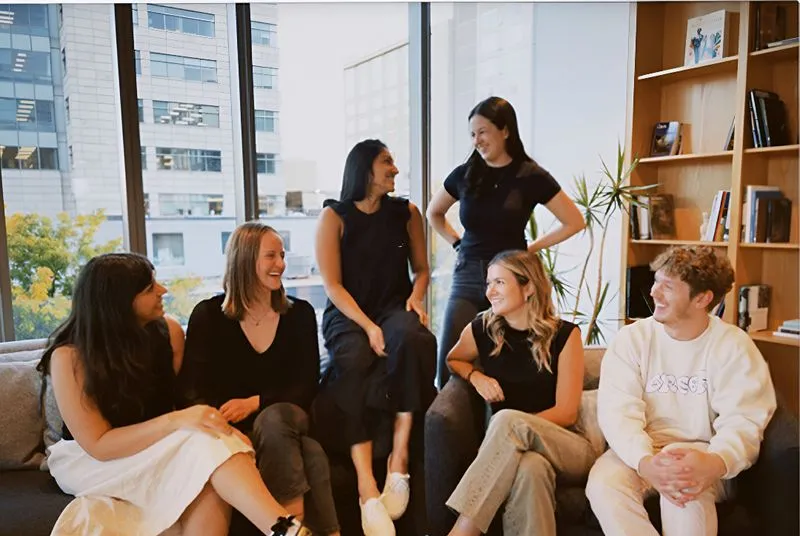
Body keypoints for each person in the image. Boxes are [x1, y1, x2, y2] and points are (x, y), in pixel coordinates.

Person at [38, 252, 310, 536]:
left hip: (154, 446)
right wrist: (180, 421)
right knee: (207, 445)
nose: (162, 290)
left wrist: (217, 427)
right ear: (118, 302)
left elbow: (182, 404)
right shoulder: (68, 357)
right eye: (149, 288)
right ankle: (287, 529)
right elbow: (99, 444)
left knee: (209, 474)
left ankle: (286, 530)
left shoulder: (169, 332)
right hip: (91, 460)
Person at [586, 246, 777, 536]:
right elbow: (617, 412)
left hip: (705, 454)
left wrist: (715, 461)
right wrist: (645, 461)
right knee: (604, 484)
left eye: (668, 286)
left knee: (686, 486)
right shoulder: (632, 339)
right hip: (641, 450)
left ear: (702, 298)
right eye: (657, 281)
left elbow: (744, 420)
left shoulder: (734, 346)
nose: (654, 293)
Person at [180, 222, 339, 536]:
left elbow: (306, 384)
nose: (281, 264)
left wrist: (255, 402)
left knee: (273, 418)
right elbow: (191, 389)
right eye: (271, 256)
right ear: (245, 260)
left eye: (281, 255)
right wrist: (225, 427)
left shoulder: (301, 313)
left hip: (289, 415)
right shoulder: (208, 315)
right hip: (229, 427)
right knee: (312, 454)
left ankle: (284, 527)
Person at [313, 139, 437, 536]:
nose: (395, 170)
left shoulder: (407, 213)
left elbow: (421, 270)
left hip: (394, 306)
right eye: (387, 162)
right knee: (351, 361)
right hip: (349, 313)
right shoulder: (334, 216)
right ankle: (367, 487)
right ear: (365, 168)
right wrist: (367, 327)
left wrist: (416, 300)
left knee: (413, 340)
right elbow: (332, 285)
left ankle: (398, 459)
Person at [427, 96, 586, 389]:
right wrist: (455, 242)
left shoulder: (530, 175)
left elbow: (574, 221)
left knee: (510, 361)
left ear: (506, 131)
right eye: (472, 134)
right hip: (469, 274)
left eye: (483, 132)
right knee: (449, 361)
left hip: (511, 280)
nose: (477, 140)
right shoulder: (466, 174)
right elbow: (434, 213)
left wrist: (530, 249)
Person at [443, 249, 595, 536]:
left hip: (568, 446)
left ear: (528, 288)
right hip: (521, 450)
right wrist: (475, 376)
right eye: (488, 283)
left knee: (506, 421)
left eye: (499, 282)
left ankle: (462, 532)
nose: (490, 292)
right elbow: (454, 359)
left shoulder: (565, 335)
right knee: (530, 469)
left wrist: (513, 431)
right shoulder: (482, 329)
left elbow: (566, 412)